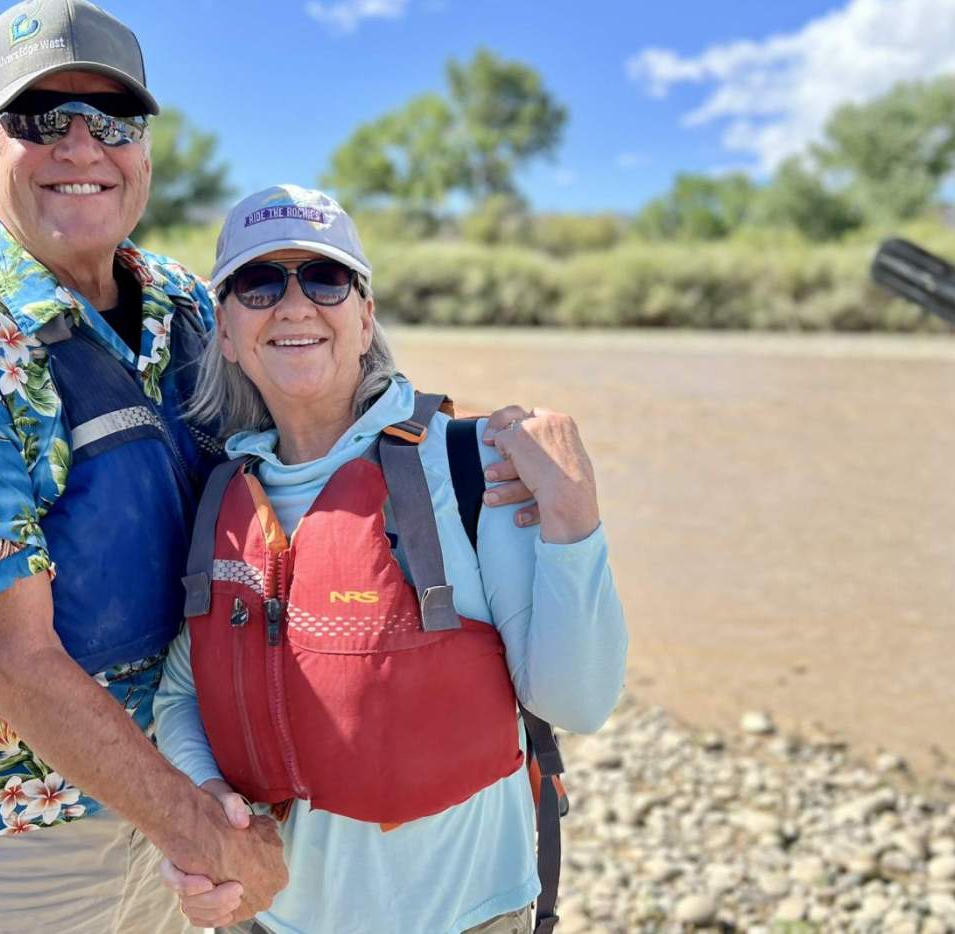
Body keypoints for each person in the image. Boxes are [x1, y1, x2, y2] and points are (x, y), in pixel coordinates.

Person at [0, 4, 547, 930]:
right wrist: (201, 832)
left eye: (113, 120)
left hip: (203, 776)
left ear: (145, 154)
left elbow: (326, 401)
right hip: (27, 839)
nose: (82, 145)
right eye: (41, 118)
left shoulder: (180, 300)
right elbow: (13, 657)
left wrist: (492, 454)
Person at [152, 185, 629, 934]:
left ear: (365, 316)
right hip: (272, 920)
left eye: (326, 278)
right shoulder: (221, 497)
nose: (295, 304)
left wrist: (575, 514)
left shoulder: (473, 470)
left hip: (468, 916)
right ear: (226, 331)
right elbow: (181, 693)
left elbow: (581, 702)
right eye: (259, 283)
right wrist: (209, 801)